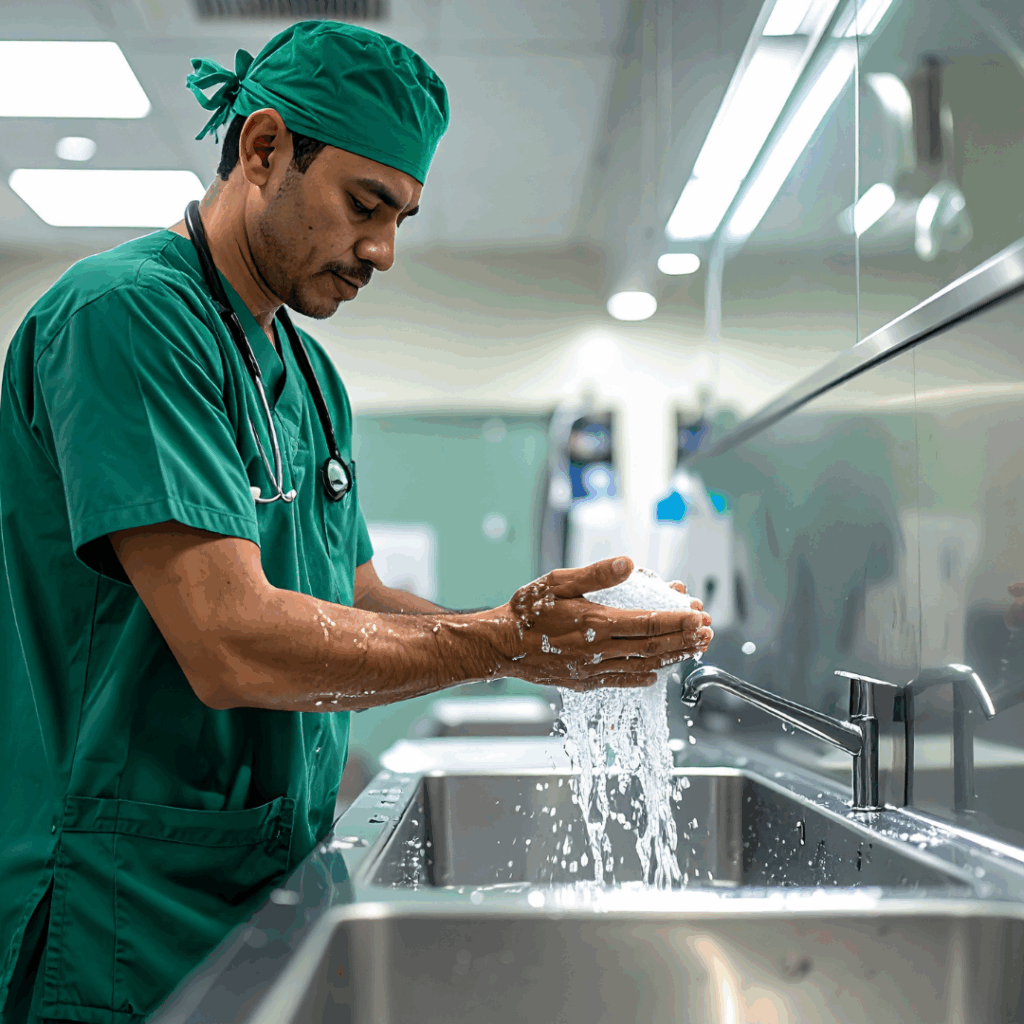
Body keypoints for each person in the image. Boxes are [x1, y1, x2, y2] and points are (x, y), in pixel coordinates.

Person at [0, 21, 713, 1023]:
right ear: (263, 150)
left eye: (402, 217)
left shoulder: (307, 373)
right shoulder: (126, 316)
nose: (381, 249)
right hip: (122, 903)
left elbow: (357, 592)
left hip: (261, 879)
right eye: (364, 206)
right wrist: (498, 642)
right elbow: (228, 643)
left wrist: (528, 639)